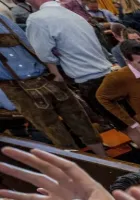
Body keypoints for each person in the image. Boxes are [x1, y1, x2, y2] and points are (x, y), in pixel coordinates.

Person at [0, 13, 105, 155]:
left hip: (42, 76)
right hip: (19, 85)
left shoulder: (3, 19)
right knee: (56, 131)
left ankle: (102, 159)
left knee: (78, 121)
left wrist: (53, 71)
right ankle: (83, 165)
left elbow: (29, 43)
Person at [24, 0, 113, 125]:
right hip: (106, 72)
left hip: (89, 79)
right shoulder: (71, 14)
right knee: (132, 120)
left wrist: (55, 70)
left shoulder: (37, 19)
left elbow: (44, 54)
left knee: (126, 125)